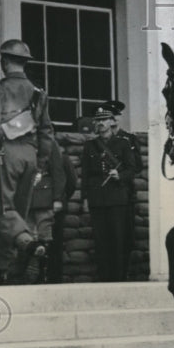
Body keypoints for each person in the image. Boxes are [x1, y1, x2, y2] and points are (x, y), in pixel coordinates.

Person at [0, 39, 53, 285]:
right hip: (30, 156)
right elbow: (47, 132)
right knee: (16, 213)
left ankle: (30, 245)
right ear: (24, 63)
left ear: (4, 61)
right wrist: (40, 162)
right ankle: (3, 269)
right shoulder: (39, 92)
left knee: (1, 209)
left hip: (4, 154)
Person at [83, 105, 138, 281]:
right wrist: (85, 198)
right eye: (97, 120)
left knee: (118, 239)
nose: (100, 123)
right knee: (100, 241)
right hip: (97, 198)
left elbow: (132, 169)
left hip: (117, 198)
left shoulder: (123, 144)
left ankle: (119, 277)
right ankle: (104, 278)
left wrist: (119, 175)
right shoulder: (90, 146)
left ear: (112, 122)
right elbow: (84, 174)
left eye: (104, 120)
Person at [103, 99, 143, 277]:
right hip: (104, 194)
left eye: (116, 116)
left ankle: (122, 272)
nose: (113, 120)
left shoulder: (129, 139)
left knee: (124, 235)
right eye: (109, 116)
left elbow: (137, 165)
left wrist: (121, 173)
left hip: (125, 192)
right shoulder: (99, 140)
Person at [20, 134, 67, 284]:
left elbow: (58, 171)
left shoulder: (48, 142)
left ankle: (43, 276)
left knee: (45, 238)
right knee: (27, 239)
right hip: (25, 199)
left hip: (44, 198)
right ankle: (29, 277)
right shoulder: (18, 141)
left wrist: (57, 198)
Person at [48, 144, 78, 283]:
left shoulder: (63, 158)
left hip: (56, 209)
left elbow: (71, 182)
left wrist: (61, 198)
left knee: (55, 244)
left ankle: (54, 278)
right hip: (37, 207)